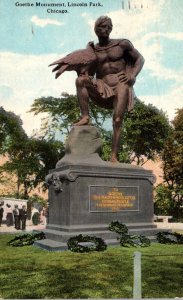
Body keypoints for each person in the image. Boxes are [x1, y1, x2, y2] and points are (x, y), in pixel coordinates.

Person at [74, 16, 144, 162]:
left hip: (121, 84)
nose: (106, 30)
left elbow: (140, 59)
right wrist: (84, 72)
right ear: (96, 29)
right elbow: (89, 70)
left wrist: (132, 75)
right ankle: (85, 116)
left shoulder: (122, 44)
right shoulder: (92, 50)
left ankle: (113, 156)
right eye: (103, 27)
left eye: (109, 27)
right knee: (80, 80)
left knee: (117, 119)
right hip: (102, 87)